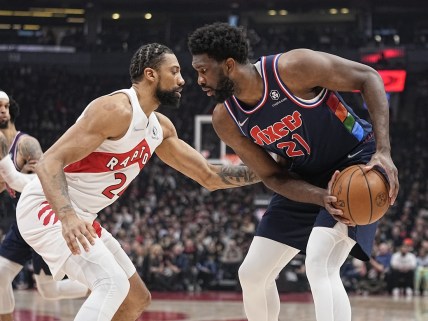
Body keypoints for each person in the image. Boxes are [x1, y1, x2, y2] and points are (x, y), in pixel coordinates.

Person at [16, 43, 260, 321]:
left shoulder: (160, 128)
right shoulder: (115, 109)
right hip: (47, 207)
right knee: (111, 284)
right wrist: (68, 217)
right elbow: (49, 162)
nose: (182, 80)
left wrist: (267, 169)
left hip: (82, 215)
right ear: (151, 74)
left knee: (135, 299)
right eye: (175, 71)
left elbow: (210, 176)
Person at [188, 22, 399, 321]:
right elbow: (273, 176)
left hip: (355, 162)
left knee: (319, 261)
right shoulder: (226, 118)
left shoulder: (292, 68)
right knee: (252, 274)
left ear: (230, 65)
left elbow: (369, 77)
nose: (198, 79)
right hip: (303, 176)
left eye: (203, 70)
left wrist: (383, 152)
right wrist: (318, 195)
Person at [0, 91, 89, 321]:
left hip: (42, 217)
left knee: (49, 291)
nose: (2, 110)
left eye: (5, 106)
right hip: (22, 222)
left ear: (11, 110)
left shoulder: (26, 144)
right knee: (0, 274)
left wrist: (10, 176)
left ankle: (99, 286)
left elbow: (44, 180)